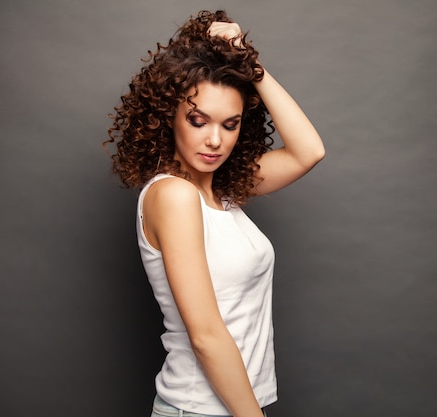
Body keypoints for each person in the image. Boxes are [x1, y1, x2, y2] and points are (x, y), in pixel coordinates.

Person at [105, 10, 325, 417]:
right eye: (198, 120)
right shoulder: (173, 195)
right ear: (169, 115)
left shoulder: (222, 190)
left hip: (234, 406)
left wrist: (252, 67)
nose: (214, 139)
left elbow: (308, 151)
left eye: (230, 124)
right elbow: (205, 335)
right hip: (200, 408)